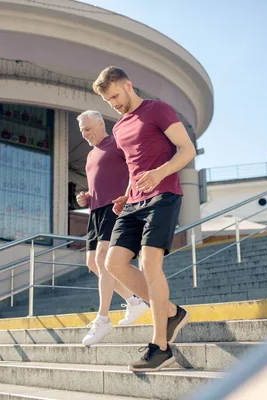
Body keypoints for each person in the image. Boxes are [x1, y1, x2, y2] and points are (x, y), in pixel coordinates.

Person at [92, 66, 196, 372]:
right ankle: (172, 312)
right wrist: (126, 193)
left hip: (164, 194)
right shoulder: (120, 127)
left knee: (149, 264)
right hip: (134, 202)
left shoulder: (158, 110)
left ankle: (160, 346)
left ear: (128, 85)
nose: (113, 103)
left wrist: (160, 172)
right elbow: (135, 168)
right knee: (112, 263)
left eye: (115, 96)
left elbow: (187, 149)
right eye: (108, 101)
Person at [76, 110, 149, 346]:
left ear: (99, 124)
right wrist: (86, 197)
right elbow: (98, 182)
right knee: (91, 263)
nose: (84, 134)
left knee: (102, 257)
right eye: (82, 131)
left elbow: (134, 169)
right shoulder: (90, 155)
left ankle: (103, 318)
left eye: (87, 129)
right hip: (95, 210)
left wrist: (129, 196)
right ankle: (134, 302)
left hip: (115, 207)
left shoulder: (117, 142)